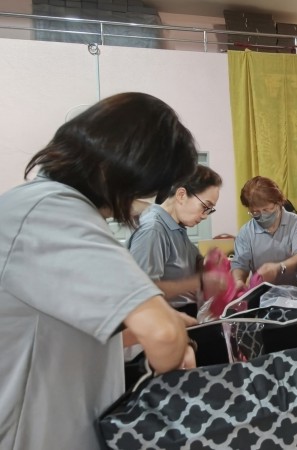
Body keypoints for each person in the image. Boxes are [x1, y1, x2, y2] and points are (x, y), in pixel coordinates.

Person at [0, 92, 200, 450]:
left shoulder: (37, 206)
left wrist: (139, 333)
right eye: (148, 187)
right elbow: (164, 335)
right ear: (118, 170)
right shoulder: (51, 211)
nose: (148, 200)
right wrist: (171, 339)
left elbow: (55, 335)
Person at [127, 165, 226, 317]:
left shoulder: (177, 228)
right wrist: (199, 282)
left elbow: (184, 264)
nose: (205, 215)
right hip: (165, 319)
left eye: (209, 210)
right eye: (205, 206)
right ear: (181, 195)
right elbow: (143, 291)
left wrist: (206, 264)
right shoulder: (153, 230)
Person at [231, 176, 297, 288]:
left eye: (266, 210)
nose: (262, 216)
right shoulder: (246, 232)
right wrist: (238, 280)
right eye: (255, 212)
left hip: (293, 291)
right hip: (261, 292)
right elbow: (240, 264)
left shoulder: (296, 223)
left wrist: (278, 268)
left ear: (279, 202)